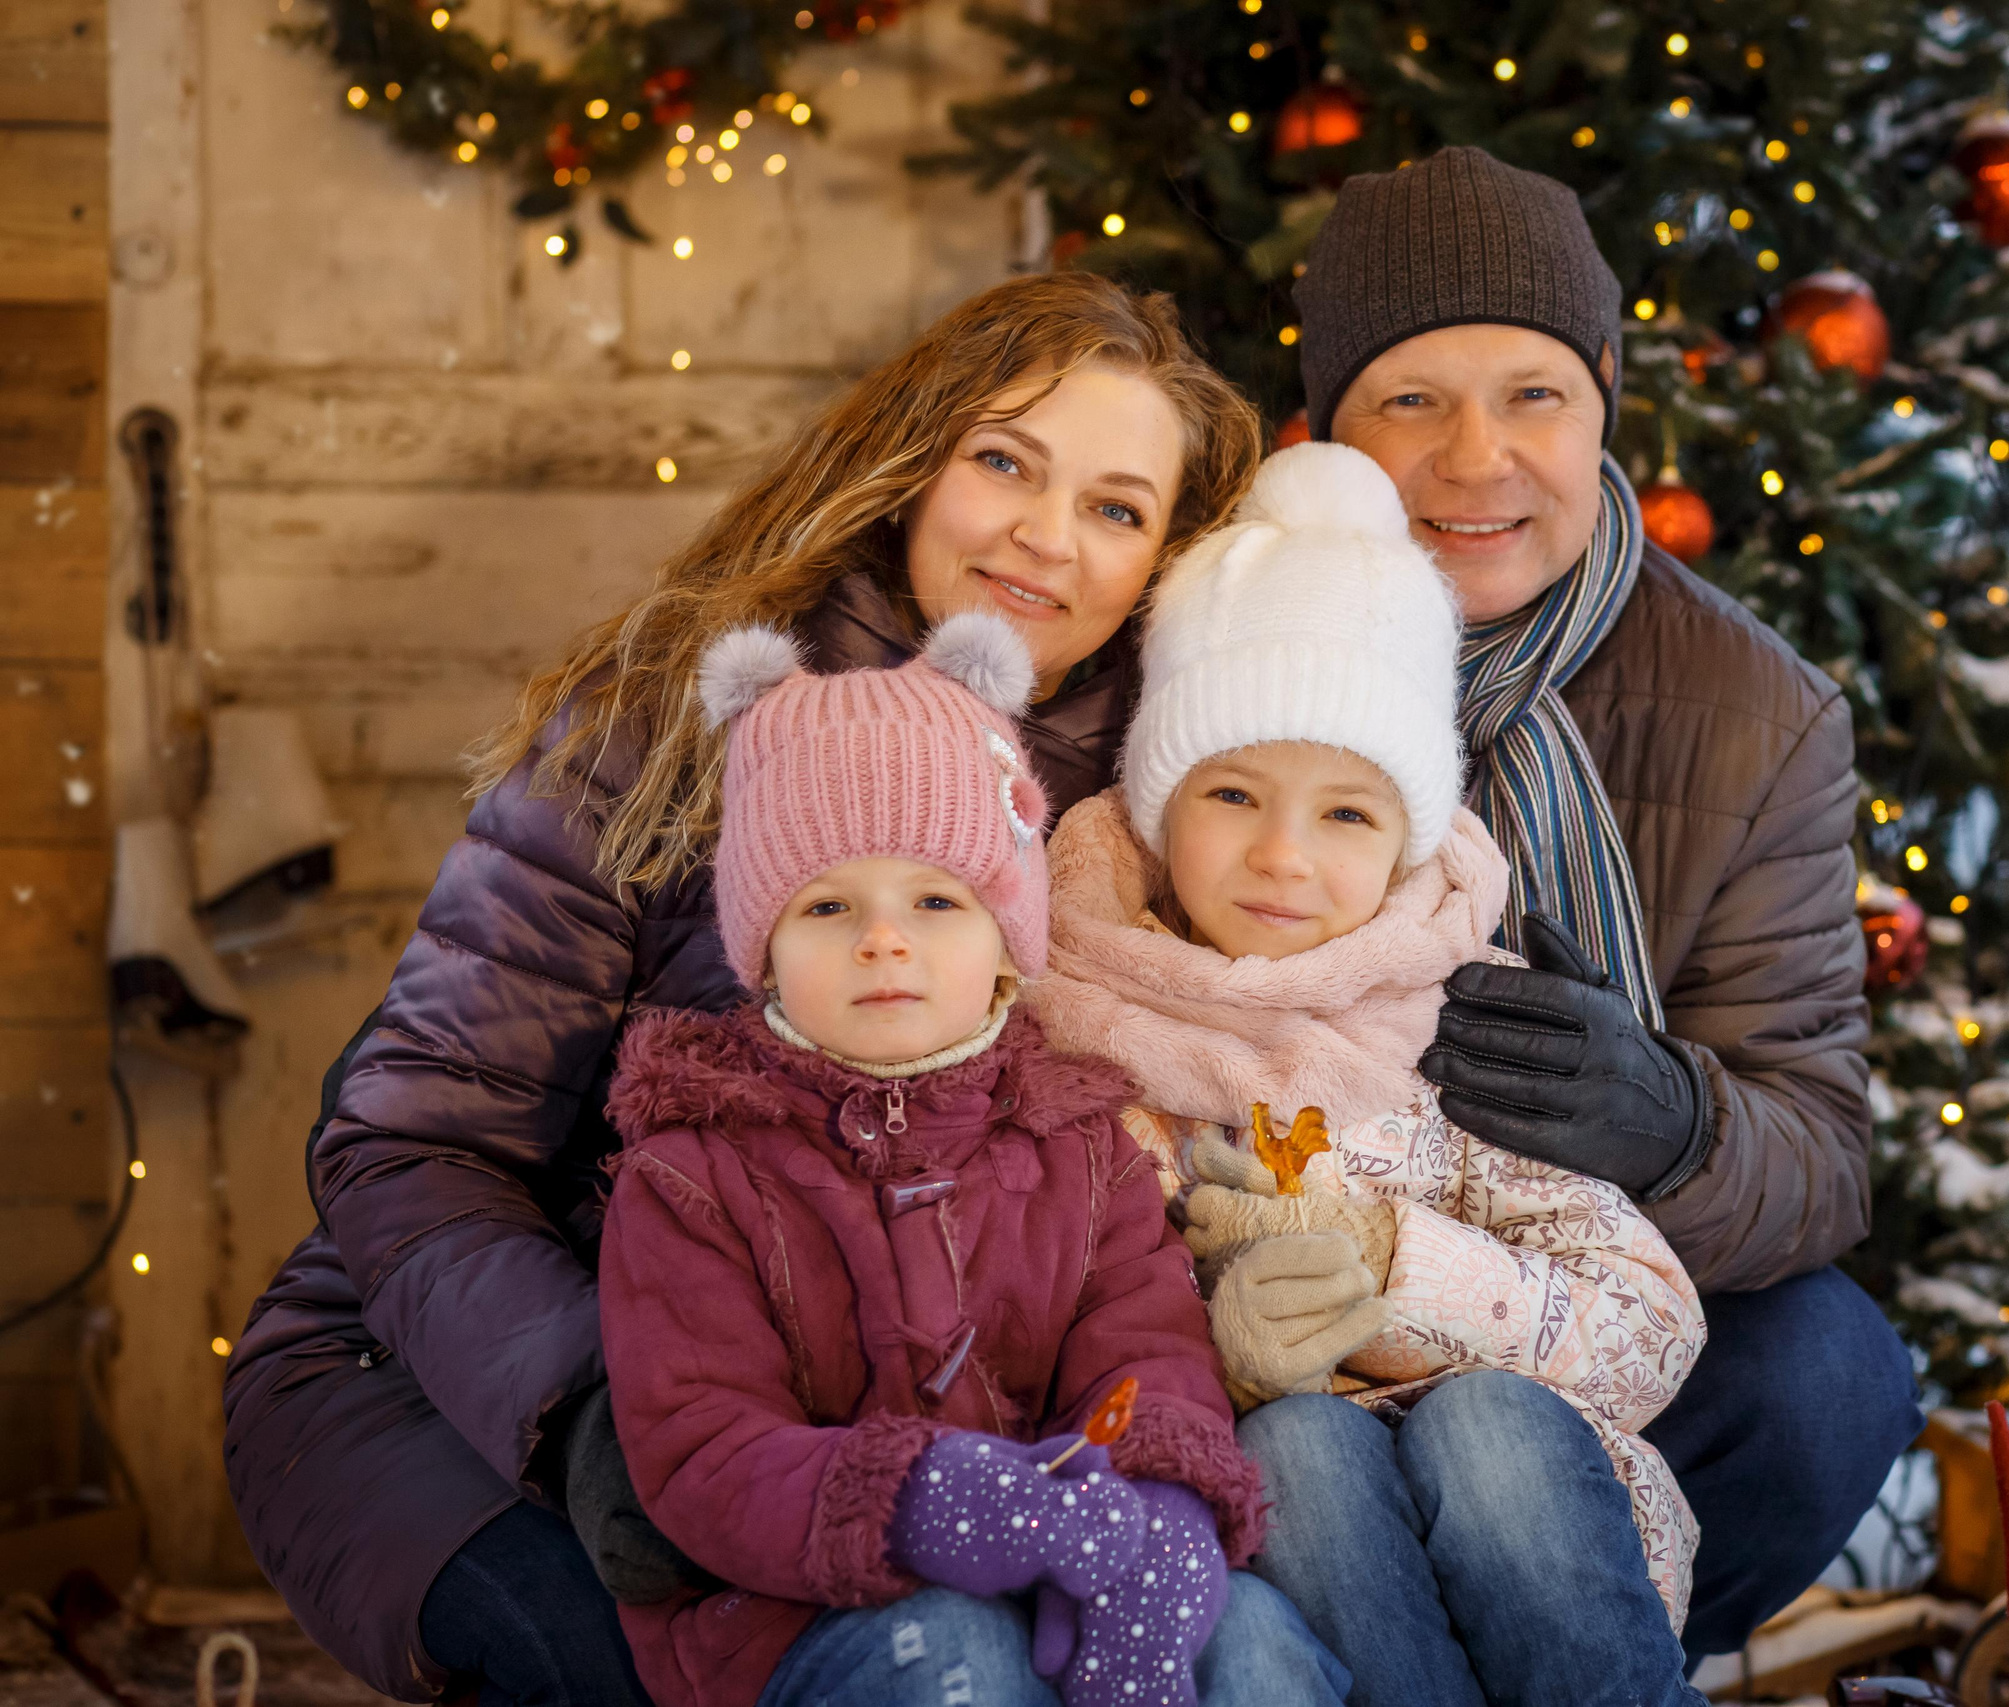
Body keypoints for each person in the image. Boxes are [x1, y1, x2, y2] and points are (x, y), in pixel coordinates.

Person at [220, 272, 1263, 1705]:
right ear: (908, 461)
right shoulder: (670, 712)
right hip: (471, 1382)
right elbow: (408, 1138)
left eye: (1117, 507)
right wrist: (594, 1409)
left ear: (1164, 559)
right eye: (1005, 462)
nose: (1045, 534)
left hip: (922, 1441)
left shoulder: (1174, 795)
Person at [1286, 145, 1926, 1664]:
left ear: (1606, 393)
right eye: (1412, 401)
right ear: (1326, 424)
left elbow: (1822, 1149)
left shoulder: (1755, 710)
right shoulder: (1229, 634)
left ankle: (1567, 1643)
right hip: (1278, 1258)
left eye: (1532, 395)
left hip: (1573, 1291)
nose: (1477, 460)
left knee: (1831, 1364)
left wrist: (1670, 1120)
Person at [1033, 441, 1709, 1707]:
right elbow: (1034, 1341)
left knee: (1485, 1425)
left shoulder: (1452, 1033)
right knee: (1295, 1443)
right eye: (1232, 793)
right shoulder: (1083, 1053)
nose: (1283, 856)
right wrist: (1232, 1354)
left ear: (1407, 839)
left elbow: (1652, 1333)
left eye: (1345, 812)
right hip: (1296, 1554)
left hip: (1539, 1540)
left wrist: (1389, 1269)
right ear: (1155, 811)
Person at [596, 612, 1347, 1707]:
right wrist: (916, 1497)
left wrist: (1165, 1511)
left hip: (1068, 1567)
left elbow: (1147, 1359)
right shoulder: (694, 1172)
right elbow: (700, 1446)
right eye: (827, 905)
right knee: (959, 1652)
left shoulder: (1082, 1151)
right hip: (801, 1622)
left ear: (1007, 941)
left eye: (938, 901)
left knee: (1253, 1637)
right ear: (761, 952)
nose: (884, 939)